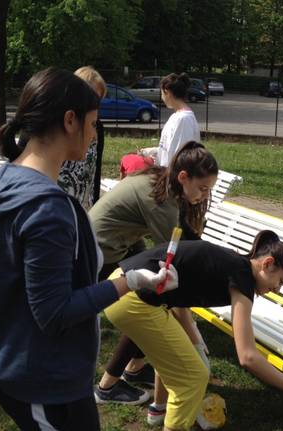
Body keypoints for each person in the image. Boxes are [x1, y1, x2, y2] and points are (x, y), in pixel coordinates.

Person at [0, 67, 177, 431]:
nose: (94, 134)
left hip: (41, 369)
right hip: (40, 379)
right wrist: (129, 282)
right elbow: (54, 312)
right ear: (70, 120)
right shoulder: (45, 207)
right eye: (93, 123)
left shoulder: (7, 177)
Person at [104, 230, 283, 431]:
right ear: (268, 263)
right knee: (193, 377)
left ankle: (159, 410)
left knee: (178, 357)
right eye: (281, 281)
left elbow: (179, 300)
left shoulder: (234, 263)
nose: (278, 289)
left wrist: (194, 339)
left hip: (121, 284)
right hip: (133, 299)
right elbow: (247, 357)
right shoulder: (243, 278)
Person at [89, 141, 218, 408]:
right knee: (142, 307)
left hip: (119, 242)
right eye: (202, 188)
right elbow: (175, 261)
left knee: (145, 304)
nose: (205, 196)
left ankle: (134, 368)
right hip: (100, 251)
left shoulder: (162, 180)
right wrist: (193, 333)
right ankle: (106, 388)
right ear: (184, 177)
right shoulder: (164, 204)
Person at [58, 66, 107, 211]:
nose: (93, 105)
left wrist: (95, 203)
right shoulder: (61, 123)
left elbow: (95, 169)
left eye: (98, 100)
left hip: (85, 204)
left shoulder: (98, 127)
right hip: (61, 200)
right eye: (91, 97)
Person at [156, 73, 200, 167]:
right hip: (166, 172)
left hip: (175, 177)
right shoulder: (176, 116)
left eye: (162, 93)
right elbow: (168, 148)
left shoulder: (184, 119)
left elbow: (180, 156)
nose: (162, 97)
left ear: (167, 92)